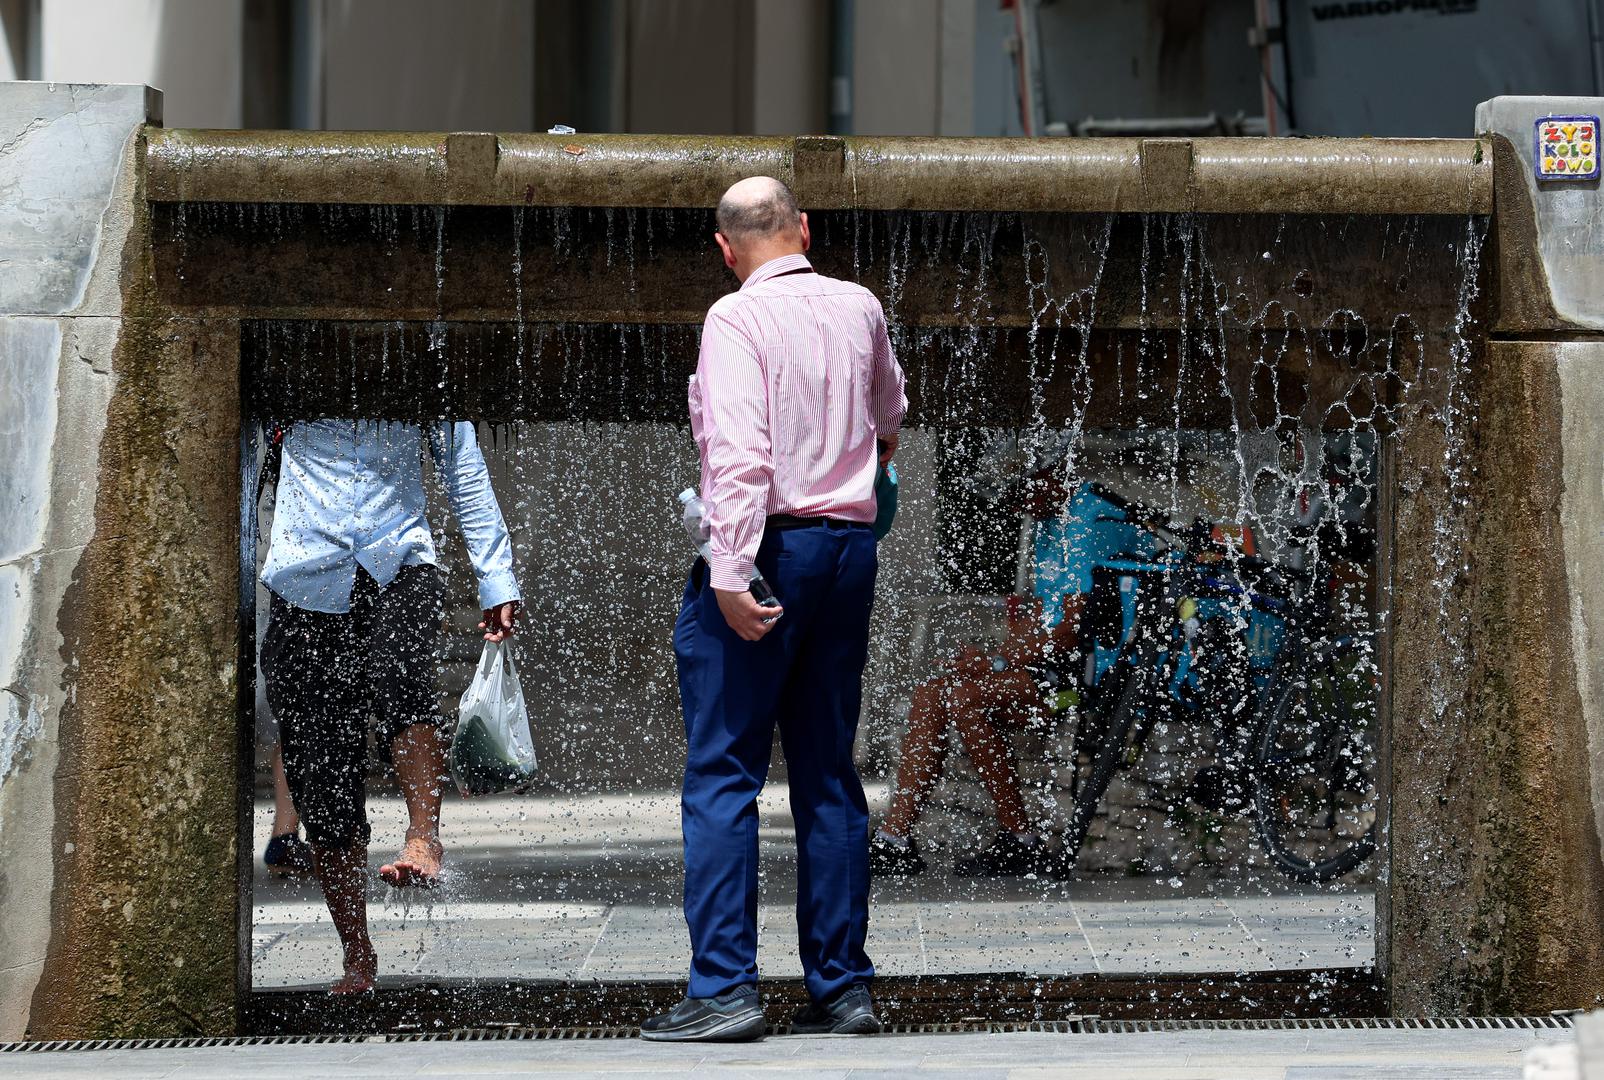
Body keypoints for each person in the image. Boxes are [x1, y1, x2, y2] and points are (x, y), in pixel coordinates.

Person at [641, 177, 906, 1043]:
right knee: (828, 773)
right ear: (803, 229)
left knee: (724, 772)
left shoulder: (735, 320)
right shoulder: (860, 304)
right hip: (847, 552)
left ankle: (724, 989)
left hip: (769, 552)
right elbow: (889, 418)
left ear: (725, 249)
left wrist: (729, 569)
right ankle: (844, 990)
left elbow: (743, 457)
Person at [259, 418, 520, 994]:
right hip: (302, 579)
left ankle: (423, 836)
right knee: (321, 773)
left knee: (404, 686)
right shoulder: (287, 362)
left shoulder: (413, 350)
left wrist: (495, 577)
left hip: (398, 561)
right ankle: (357, 951)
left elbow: (463, 467)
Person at [870, 475, 1158, 878]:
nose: (1011, 503)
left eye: (1016, 489)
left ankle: (1019, 839)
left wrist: (996, 663)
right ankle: (894, 839)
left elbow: (1069, 630)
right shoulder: (1047, 518)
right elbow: (1034, 618)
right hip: (1045, 670)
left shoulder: (1092, 522)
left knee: (965, 697)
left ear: (1052, 473)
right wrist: (994, 659)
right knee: (933, 692)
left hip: (1084, 684)